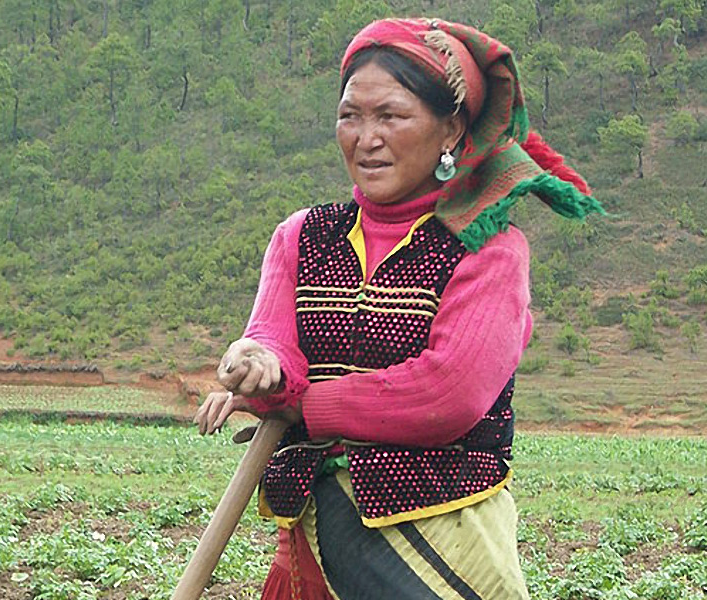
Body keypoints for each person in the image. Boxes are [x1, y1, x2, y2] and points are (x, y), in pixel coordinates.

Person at [194, 17, 604, 600]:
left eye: (390, 116)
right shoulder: (300, 236)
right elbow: (274, 341)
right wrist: (255, 362)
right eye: (350, 116)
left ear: (449, 129)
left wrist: (299, 405)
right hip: (317, 534)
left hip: (439, 539)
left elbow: (445, 394)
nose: (366, 137)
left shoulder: (488, 250)